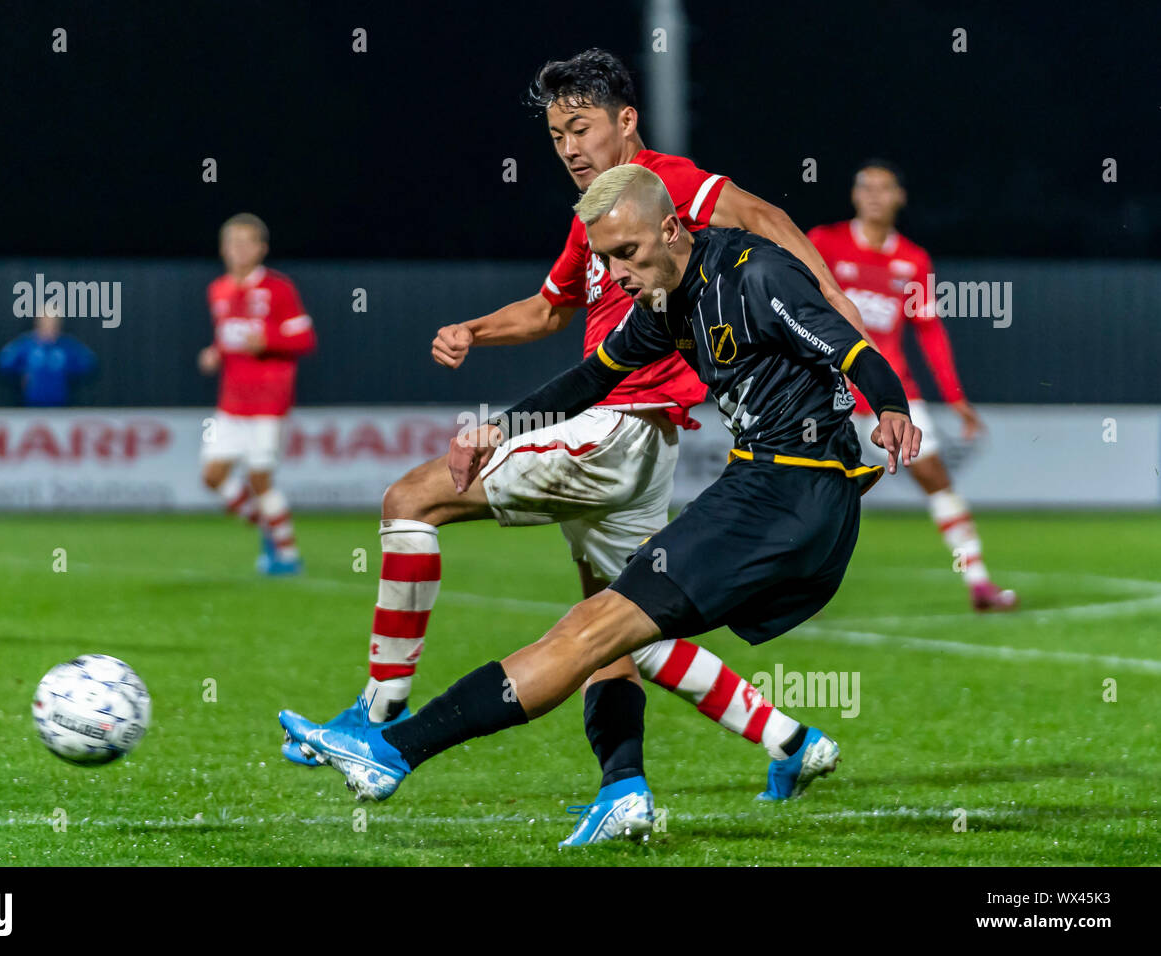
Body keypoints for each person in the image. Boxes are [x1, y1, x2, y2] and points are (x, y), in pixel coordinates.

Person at [280, 49, 871, 847]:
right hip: (633, 432)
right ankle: (736, 756)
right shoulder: (592, 219)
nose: (567, 145)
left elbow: (765, 221)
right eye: (557, 132)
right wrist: (474, 331)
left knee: (411, 499)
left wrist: (838, 323)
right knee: (618, 628)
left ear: (626, 122)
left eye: (581, 126)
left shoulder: (668, 186)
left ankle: (378, 716)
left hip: (621, 425)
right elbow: (552, 309)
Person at [808, 162, 1016, 610]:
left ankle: (979, 583)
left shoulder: (913, 260)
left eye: (884, 188)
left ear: (900, 197)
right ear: (854, 195)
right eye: (866, 187)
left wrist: (955, 397)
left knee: (936, 478)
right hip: (829, 393)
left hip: (891, 395)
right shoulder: (824, 243)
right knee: (799, 487)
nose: (874, 196)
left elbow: (929, 330)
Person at [198, 213, 317, 575]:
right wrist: (215, 353)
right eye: (232, 243)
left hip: (268, 402)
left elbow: (306, 339)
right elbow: (228, 338)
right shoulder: (218, 289)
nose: (239, 250)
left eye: (247, 243)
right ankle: (267, 525)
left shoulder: (278, 288)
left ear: (262, 249)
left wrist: (269, 340)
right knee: (212, 475)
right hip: (231, 403)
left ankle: (288, 555)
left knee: (260, 479)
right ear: (223, 248)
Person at [0, 304, 96, 406]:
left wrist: (67, 375)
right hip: (31, 404)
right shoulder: (26, 344)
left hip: (60, 404)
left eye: (53, 322)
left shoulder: (66, 345)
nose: (49, 326)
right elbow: (4, 362)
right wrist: (22, 373)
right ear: (38, 322)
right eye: (46, 321)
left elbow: (88, 362)